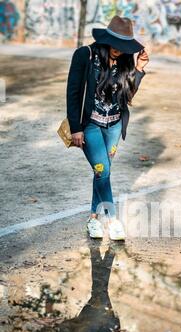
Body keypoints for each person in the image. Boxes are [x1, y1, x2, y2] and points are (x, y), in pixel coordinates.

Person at [66, 16, 149, 240]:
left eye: (124, 47)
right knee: (103, 170)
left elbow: (127, 95)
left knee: (102, 172)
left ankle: (93, 219)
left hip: (114, 126)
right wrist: (76, 128)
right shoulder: (86, 55)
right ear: (107, 39)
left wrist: (138, 70)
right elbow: (73, 93)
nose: (118, 51)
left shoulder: (125, 62)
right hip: (90, 124)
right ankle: (112, 220)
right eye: (116, 45)